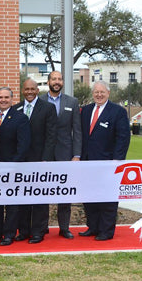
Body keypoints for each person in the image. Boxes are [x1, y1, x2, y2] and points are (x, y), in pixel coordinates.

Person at [79, 81, 130, 241]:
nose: (99, 95)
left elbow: (123, 138)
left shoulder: (118, 112)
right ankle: (93, 227)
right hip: (87, 164)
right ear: (92, 94)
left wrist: (117, 160)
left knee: (107, 199)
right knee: (89, 197)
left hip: (108, 164)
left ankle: (106, 231)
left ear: (108, 93)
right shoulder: (86, 111)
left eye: (102, 92)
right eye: (96, 92)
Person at [39, 70, 82, 239]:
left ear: (62, 82)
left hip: (66, 153)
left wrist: (77, 154)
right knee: (42, 192)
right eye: (54, 79)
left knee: (65, 192)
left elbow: (77, 130)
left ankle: (64, 228)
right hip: (45, 154)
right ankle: (42, 227)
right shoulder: (40, 100)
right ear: (48, 81)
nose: (57, 82)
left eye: (59, 79)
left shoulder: (72, 101)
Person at [17, 78, 57, 244]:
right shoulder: (16, 108)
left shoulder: (48, 108)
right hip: (21, 161)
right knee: (22, 197)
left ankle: (38, 232)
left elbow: (51, 136)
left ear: (37, 90)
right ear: (22, 91)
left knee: (39, 198)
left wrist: (46, 159)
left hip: (40, 160)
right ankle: (24, 230)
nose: (30, 92)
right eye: (27, 89)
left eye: (33, 89)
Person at [0, 87, 30, 246]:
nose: (3, 100)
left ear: (12, 99)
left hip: (12, 167)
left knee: (12, 204)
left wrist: (13, 165)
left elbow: (23, 145)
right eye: (0, 97)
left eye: (6, 97)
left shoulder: (20, 118)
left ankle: (9, 234)